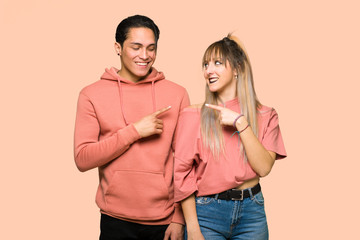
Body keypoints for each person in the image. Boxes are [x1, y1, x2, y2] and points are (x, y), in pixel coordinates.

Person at [74, 15, 189, 240]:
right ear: (118, 48)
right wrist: (134, 131)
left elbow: (186, 160)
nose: (144, 56)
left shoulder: (177, 93)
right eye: (136, 47)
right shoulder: (91, 94)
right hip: (115, 220)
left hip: (165, 221)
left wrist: (179, 217)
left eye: (151, 48)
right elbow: (83, 158)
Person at [174, 35, 287, 240]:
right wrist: (192, 228)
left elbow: (263, 168)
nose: (208, 71)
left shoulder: (266, 115)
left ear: (237, 68)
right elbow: (182, 174)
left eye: (217, 63)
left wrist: (241, 124)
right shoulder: (192, 115)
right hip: (207, 214)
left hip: (252, 213)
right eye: (205, 65)